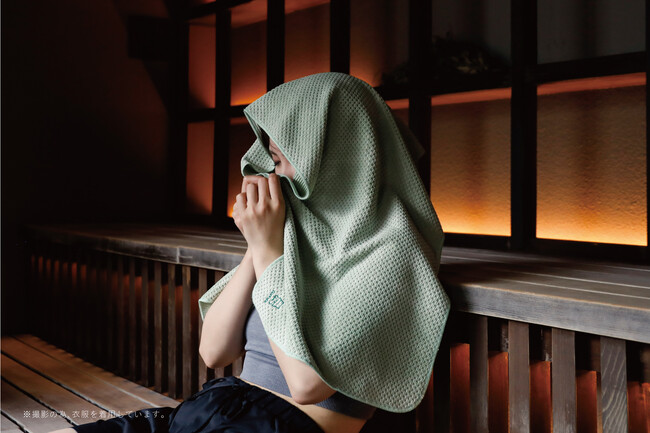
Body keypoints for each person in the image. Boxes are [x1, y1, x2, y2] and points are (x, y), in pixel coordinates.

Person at [49, 71, 450, 433]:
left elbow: (306, 385)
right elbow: (214, 351)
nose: (274, 176)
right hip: (209, 407)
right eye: (271, 160)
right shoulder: (291, 235)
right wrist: (256, 249)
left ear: (337, 158)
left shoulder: (393, 253)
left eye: (283, 161)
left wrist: (267, 249)